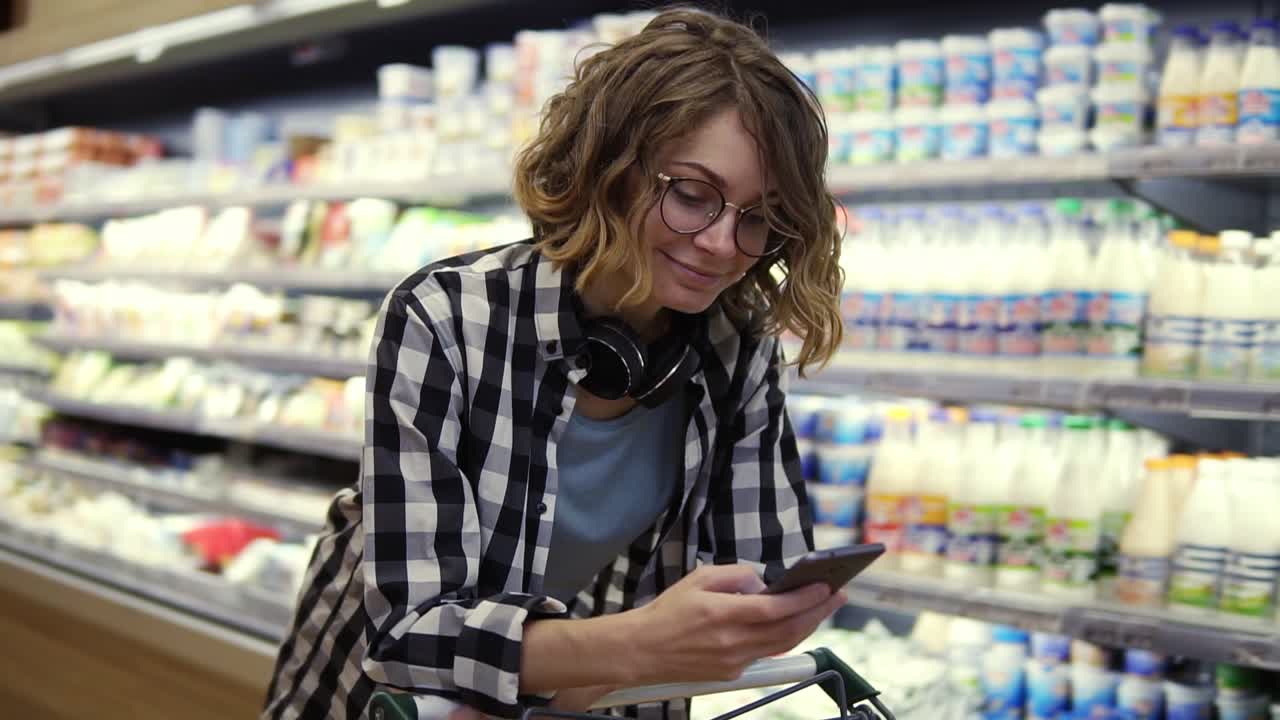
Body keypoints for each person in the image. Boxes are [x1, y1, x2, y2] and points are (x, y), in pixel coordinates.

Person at [262, 7, 847, 720]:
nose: (724, 244)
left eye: (760, 217)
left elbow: (760, 580)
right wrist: (638, 643)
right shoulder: (448, 316)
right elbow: (410, 636)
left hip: (579, 693)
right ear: (611, 169)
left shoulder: (735, 348)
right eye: (693, 195)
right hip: (373, 699)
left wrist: (769, 614)